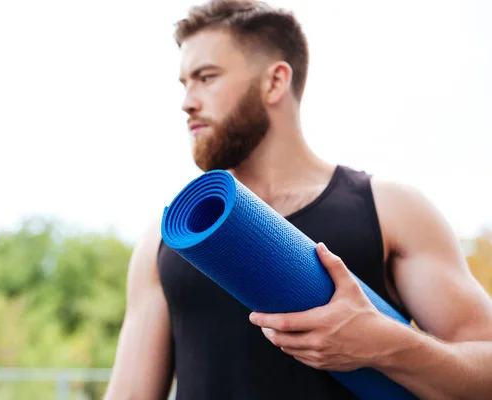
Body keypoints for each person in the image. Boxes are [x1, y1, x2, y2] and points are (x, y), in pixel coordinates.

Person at [104, 1, 492, 399]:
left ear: (274, 82)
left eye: (206, 78)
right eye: (184, 83)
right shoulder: (166, 239)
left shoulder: (390, 210)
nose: (187, 102)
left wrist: (388, 345)